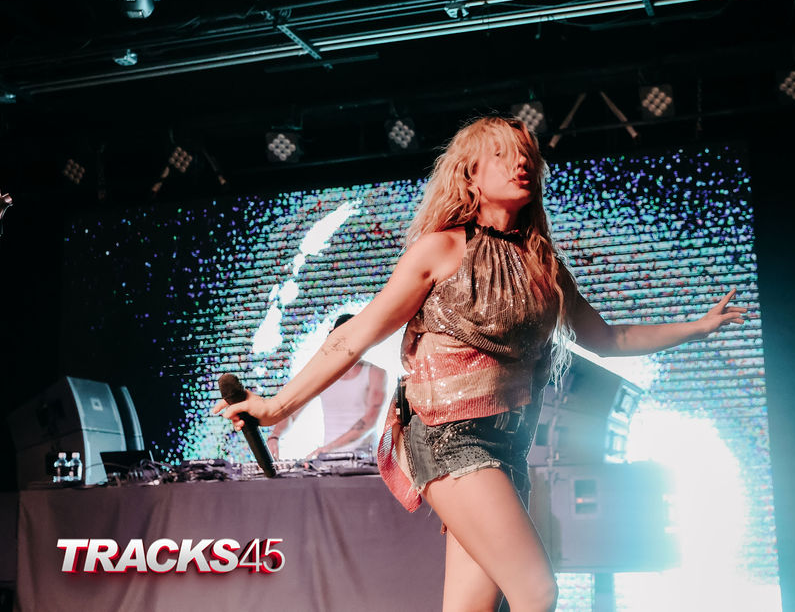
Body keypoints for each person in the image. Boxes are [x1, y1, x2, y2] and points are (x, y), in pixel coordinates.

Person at [214, 116, 745, 612]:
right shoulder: (441, 250)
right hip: (448, 437)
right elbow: (354, 336)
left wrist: (697, 328)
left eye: (527, 156)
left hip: (507, 448)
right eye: (503, 155)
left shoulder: (543, 267)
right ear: (470, 174)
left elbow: (608, 339)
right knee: (536, 590)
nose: (521, 164)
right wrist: (276, 406)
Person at [267, 313, 386, 460]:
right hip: (331, 460)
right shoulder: (322, 375)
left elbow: (369, 421)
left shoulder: (375, 373)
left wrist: (327, 449)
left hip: (366, 460)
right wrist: (275, 436)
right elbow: (293, 413)